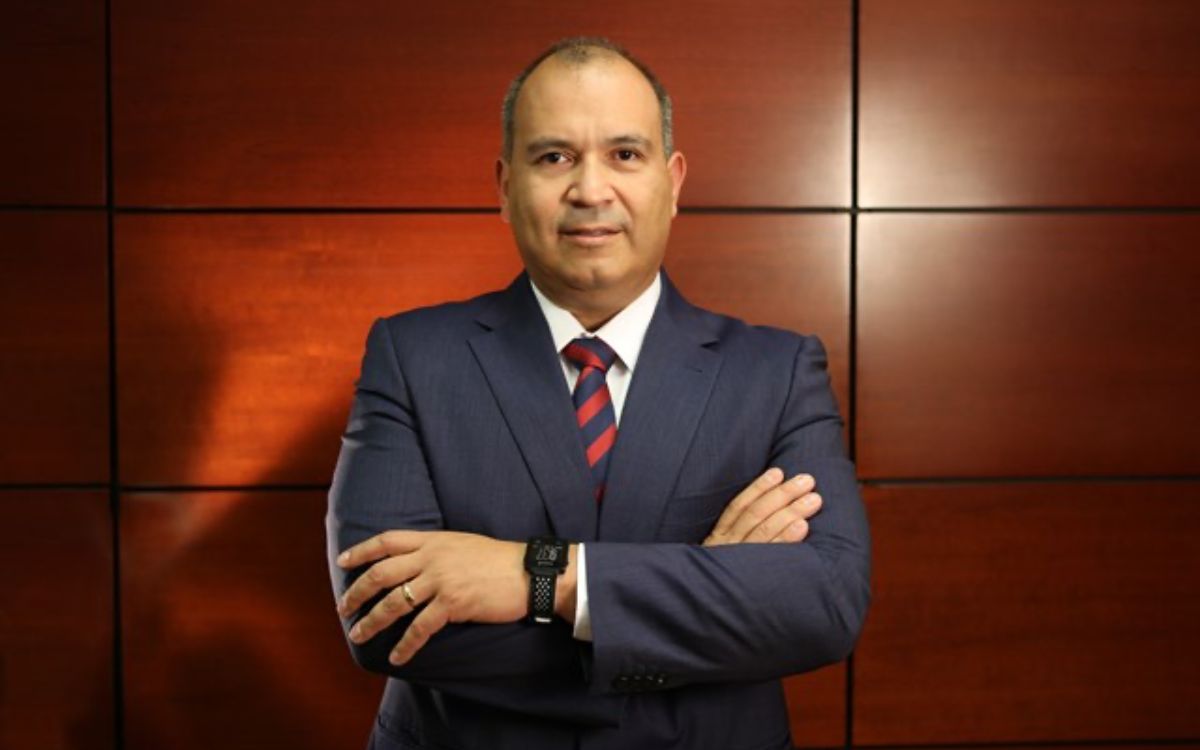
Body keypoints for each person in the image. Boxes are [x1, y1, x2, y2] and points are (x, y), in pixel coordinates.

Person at [326, 37, 870, 750]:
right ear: (505, 186)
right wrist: (707, 594)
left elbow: (824, 603)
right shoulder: (412, 357)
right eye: (554, 157)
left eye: (625, 154)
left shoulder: (777, 371)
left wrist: (544, 579)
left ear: (672, 181)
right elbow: (386, 622)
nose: (590, 190)